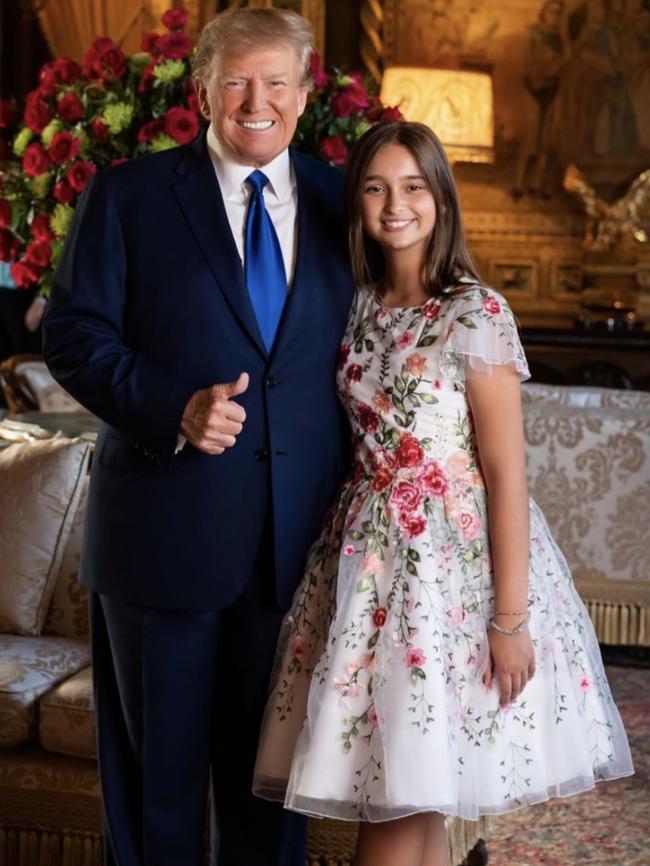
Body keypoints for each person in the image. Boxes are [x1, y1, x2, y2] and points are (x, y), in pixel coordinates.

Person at [253, 121, 634, 866]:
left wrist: (510, 618)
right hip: (365, 568)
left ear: (441, 197)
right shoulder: (353, 305)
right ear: (355, 201)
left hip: (449, 577)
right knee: (412, 803)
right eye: (374, 187)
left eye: (413, 187)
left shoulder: (475, 312)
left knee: (398, 810)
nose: (395, 205)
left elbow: (506, 473)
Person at [42, 8, 353, 866]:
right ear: (205, 88)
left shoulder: (344, 201)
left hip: (297, 551)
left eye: (277, 83)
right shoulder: (129, 195)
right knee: (157, 799)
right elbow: (72, 335)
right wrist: (171, 406)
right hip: (160, 537)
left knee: (272, 792)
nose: (259, 102)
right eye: (238, 82)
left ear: (304, 91)